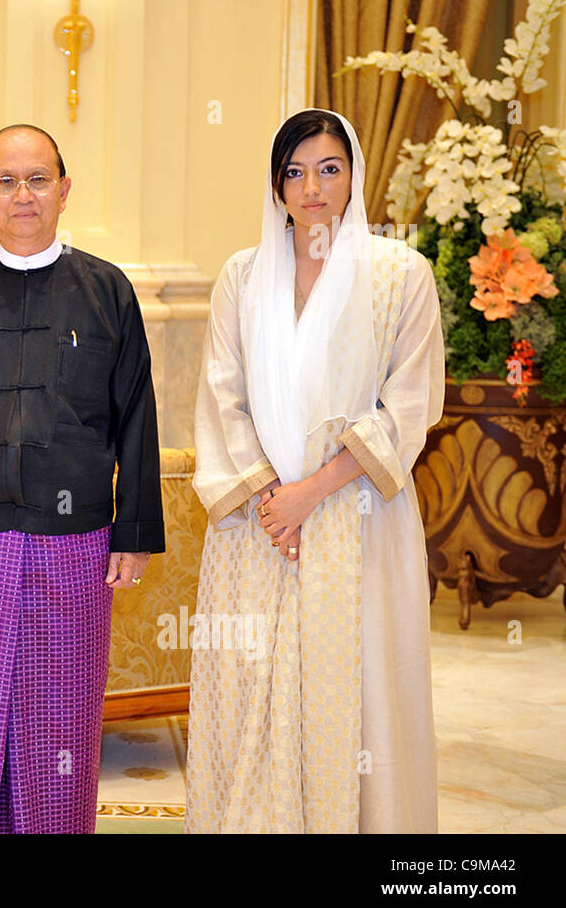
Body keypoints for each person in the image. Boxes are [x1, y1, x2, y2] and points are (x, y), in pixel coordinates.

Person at [0, 123, 165, 833]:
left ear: (64, 190)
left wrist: (133, 531)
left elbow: (137, 417)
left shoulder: (107, 291)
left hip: (75, 544)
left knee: (61, 723)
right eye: (6, 182)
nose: (24, 195)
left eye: (38, 178)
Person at [187, 108, 444, 833]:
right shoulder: (242, 276)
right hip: (256, 525)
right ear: (277, 188)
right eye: (295, 172)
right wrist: (274, 497)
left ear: (354, 176)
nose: (313, 188)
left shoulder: (401, 275)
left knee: (356, 700)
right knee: (249, 698)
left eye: (329, 168)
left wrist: (311, 493)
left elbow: (409, 407)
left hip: (359, 518)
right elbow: (220, 397)